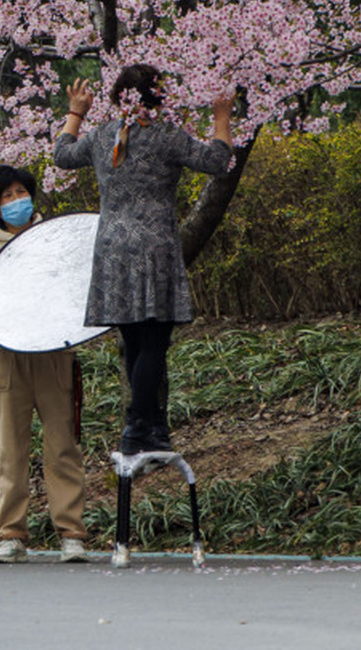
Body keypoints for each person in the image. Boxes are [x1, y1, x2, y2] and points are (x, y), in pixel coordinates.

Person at [54, 66, 234, 455]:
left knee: (134, 338)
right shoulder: (165, 136)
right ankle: (138, 425)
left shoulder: (102, 136)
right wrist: (221, 117)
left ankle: (150, 428)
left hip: (112, 248)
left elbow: (62, 156)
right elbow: (218, 162)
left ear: (119, 97)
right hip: (153, 246)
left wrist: (76, 113)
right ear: (159, 98)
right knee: (155, 337)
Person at [0, 165, 90, 563]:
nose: (16, 201)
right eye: (6, 196)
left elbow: (74, 281)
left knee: (62, 447)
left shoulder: (53, 239)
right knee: (10, 450)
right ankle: (11, 534)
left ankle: (71, 533)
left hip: (54, 353)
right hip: (6, 359)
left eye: (21, 192)